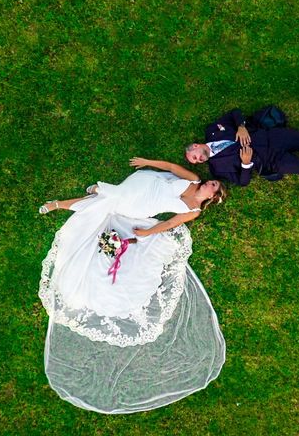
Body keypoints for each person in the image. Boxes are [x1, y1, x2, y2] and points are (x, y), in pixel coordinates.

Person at [38, 158, 227, 414]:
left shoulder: (193, 210)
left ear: (211, 197)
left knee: (102, 207)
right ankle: (95, 193)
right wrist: (146, 162)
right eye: (212, 182)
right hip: (145, 183)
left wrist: (148, 234)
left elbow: (170, 224)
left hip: (140, 204)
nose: (210, 183)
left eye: (213, 187)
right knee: (106, 203)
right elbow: (171, 169)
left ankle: (65, 202)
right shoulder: (193, 178)